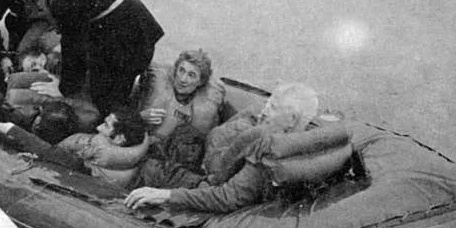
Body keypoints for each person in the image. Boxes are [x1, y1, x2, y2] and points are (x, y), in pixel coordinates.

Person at [0, 0, 163, 119]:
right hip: (115, 24)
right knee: (101, 85)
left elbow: (73, 43)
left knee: (106, 99)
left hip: (128, 36)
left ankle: (131, 124)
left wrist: (63, 88)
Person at [125, 82, 322, 214]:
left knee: (151, 169)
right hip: (216, 175)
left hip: (209, 190)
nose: (264, 111)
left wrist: (165, 195)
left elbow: (226, 197)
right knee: (179, 139)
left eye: (273, 107)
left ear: (292, 119)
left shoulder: (271, 153)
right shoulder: (298, 142)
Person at [139, 49, 226, 140]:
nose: (183, 79)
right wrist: (140, 117)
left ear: (200, 82)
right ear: (175, 71)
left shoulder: (208, 108)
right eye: (181, 70)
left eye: (191, 75)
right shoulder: (151, 88)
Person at [58, 108, 150, 188]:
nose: (98, 127)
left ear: (119, 139)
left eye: (105, 125)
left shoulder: (89, 158)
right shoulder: (128, 164)